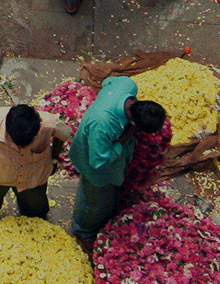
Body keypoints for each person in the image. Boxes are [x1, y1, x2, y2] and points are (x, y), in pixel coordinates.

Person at [69, 77, 161, 244]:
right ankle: (82, 230)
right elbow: (98, 162)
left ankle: (106, 209)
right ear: (133, 123)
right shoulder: (103, 124)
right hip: (95, 167)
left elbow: (107, 82)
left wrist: (105, 100)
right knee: (94, 201)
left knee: (110, 195)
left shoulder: (127, 85)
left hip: (110, 151)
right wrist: (124, 138)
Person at [0, 103, 70, 229]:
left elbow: (63, 135)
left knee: (35, 209)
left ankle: (35, 223)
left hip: (33, 176)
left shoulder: (49, 124)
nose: (22, 148)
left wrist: (54, 158)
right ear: (8, 131)